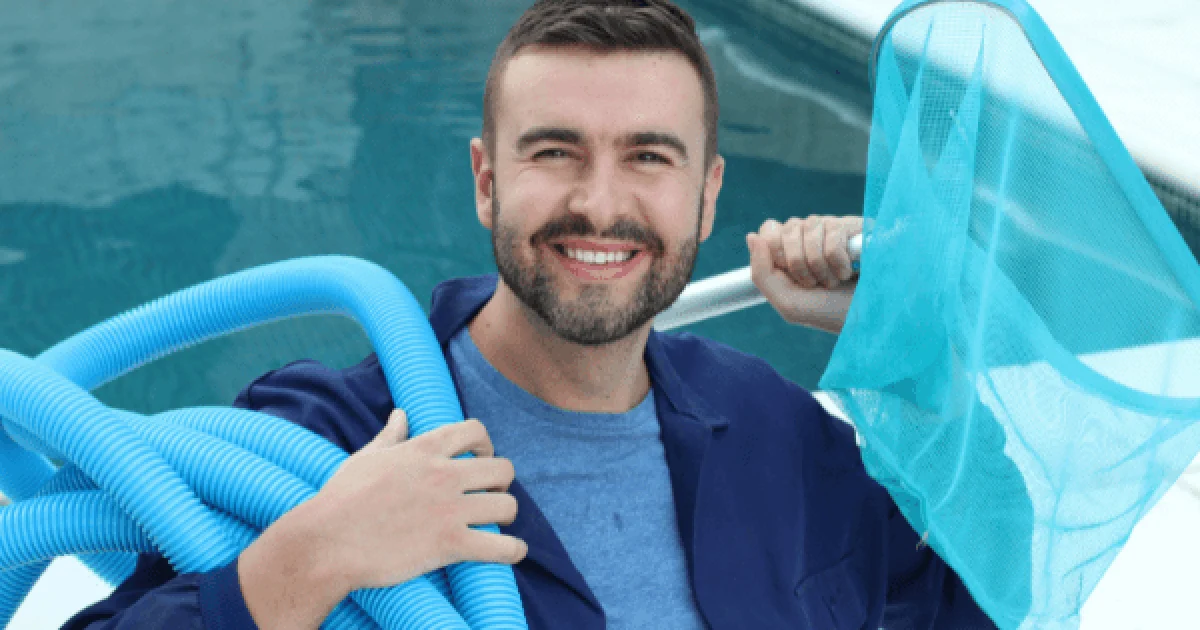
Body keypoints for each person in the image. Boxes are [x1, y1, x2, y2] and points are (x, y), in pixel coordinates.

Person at [63, 1, 1004, 628]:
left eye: (649, 157)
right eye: (555, 151)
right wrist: (316, 554)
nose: (600, 203)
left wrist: (916, 358)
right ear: (485, 180)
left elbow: (974, 599)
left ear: (708, 196)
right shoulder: (331, 444)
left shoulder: (772, 430)